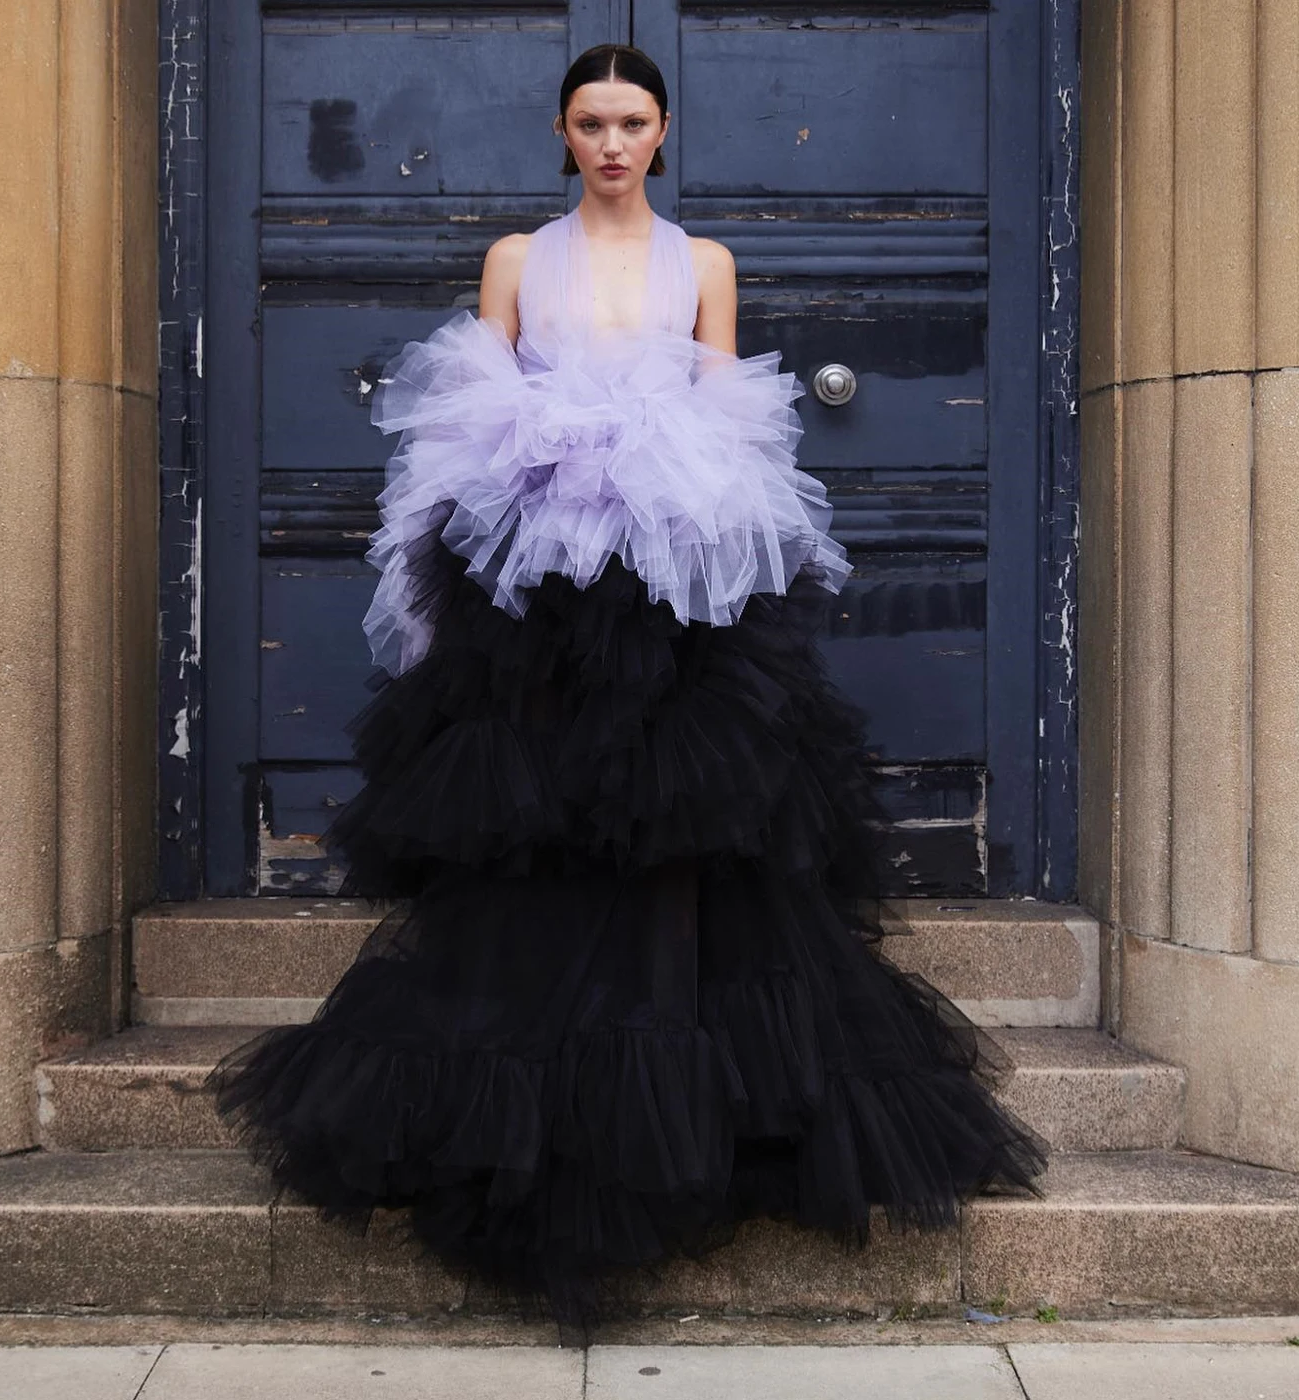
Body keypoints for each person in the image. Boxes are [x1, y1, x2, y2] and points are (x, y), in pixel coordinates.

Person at [211, 42, 1046, 1333]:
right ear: (563, 131)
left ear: (664, 133)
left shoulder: (702, 264)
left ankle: (685, 1094)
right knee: (535, 829)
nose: (613, 142)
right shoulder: (513, 260)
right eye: (594, 122)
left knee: (680, 831)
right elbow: (462, 422)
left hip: (673, 590)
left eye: (634, 122)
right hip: (536, 598)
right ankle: (528, 1088)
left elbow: (735, 422)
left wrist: (690, 510)